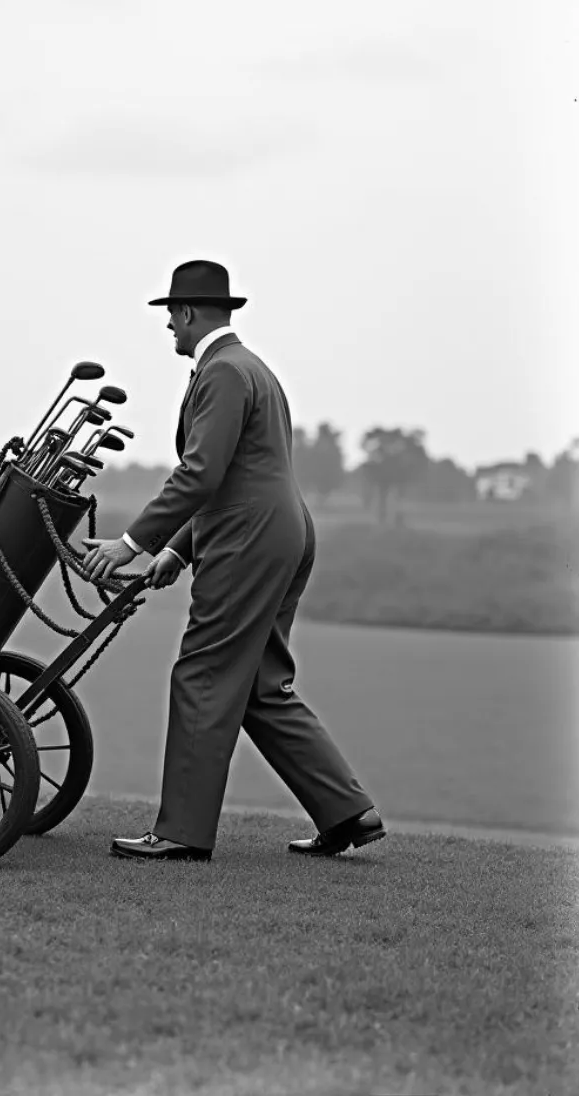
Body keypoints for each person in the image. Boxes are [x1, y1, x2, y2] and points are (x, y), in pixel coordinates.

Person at [83, 259, 384, 861]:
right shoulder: (253, 368)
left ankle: (181, 835)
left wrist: (133, 544)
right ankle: (349, 812)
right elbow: (240, 476)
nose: (169, 326)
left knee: (202, 674)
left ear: (190, 313)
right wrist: (176, 549)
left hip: (246, 540)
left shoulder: (220, 373)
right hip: (283, 531)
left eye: (171, 314)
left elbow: (202, 474)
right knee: (260, 683)